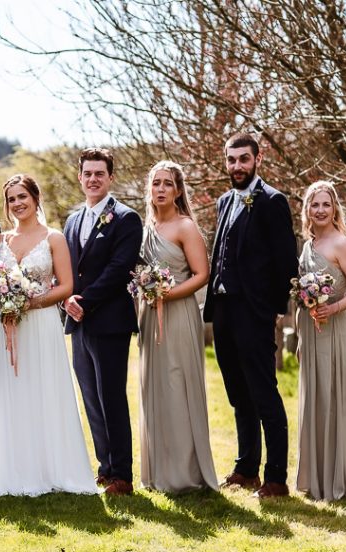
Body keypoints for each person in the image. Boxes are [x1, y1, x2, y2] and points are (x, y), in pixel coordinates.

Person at [0, 174, 97, 496]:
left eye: (23, 197)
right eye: (12, 199)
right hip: (6, 325)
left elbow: (66, 286)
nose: (17, 203)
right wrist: (4, 301)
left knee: (45, 391)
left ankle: (52, 467)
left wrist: (28, 303)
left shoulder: (54, 238)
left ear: (35, 198)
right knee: (13, 392)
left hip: (42, 324)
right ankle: (14, 467)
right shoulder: (0, 240)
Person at [203, 133, 298, 498]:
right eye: (231, 160)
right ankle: (246, 469)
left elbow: (285, 261)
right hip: (224, 310)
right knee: (237, 393)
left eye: (244, 159)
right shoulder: (224, 201)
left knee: (264, 393)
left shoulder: (273, 201)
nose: (237, 166)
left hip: (255, 313)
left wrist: (273, 312)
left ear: (258, 160)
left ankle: (276, 477)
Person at [62, 148, 142, 496]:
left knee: (111, 397)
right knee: (90, 397)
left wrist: (85, 301)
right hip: (77, 323)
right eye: (87, 173)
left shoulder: (126, 218)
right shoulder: (72, 220)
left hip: (109, 321)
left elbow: (119, 268)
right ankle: (105, 466)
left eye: (99, 173)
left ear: (110, 177)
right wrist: (66, 299)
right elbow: (67, 268)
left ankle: (122, 474)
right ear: (80, 177)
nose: (93, 179)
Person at [136, 161, 218, 492]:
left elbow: (202, 275)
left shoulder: (186, 227)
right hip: (148, 315)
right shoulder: (145, 229)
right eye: (155, 183)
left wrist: (167, 294)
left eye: (167, 184)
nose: (160, 189)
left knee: (177, 386)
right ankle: (158, 471)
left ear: (178, 190)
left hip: (179, 313)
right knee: (153, 387)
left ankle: (185, 473)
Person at [295, 181, 346, 501]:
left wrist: (334, 307)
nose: (320, 210)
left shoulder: (342, 244)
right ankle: (316, 480)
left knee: (332, 400)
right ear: (307, 210)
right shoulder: (307, 245)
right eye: (315, 205)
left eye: (326, 204)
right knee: (314, 399)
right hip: (309, 330)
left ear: (335, 208)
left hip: (334, 328)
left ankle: (337, 481)